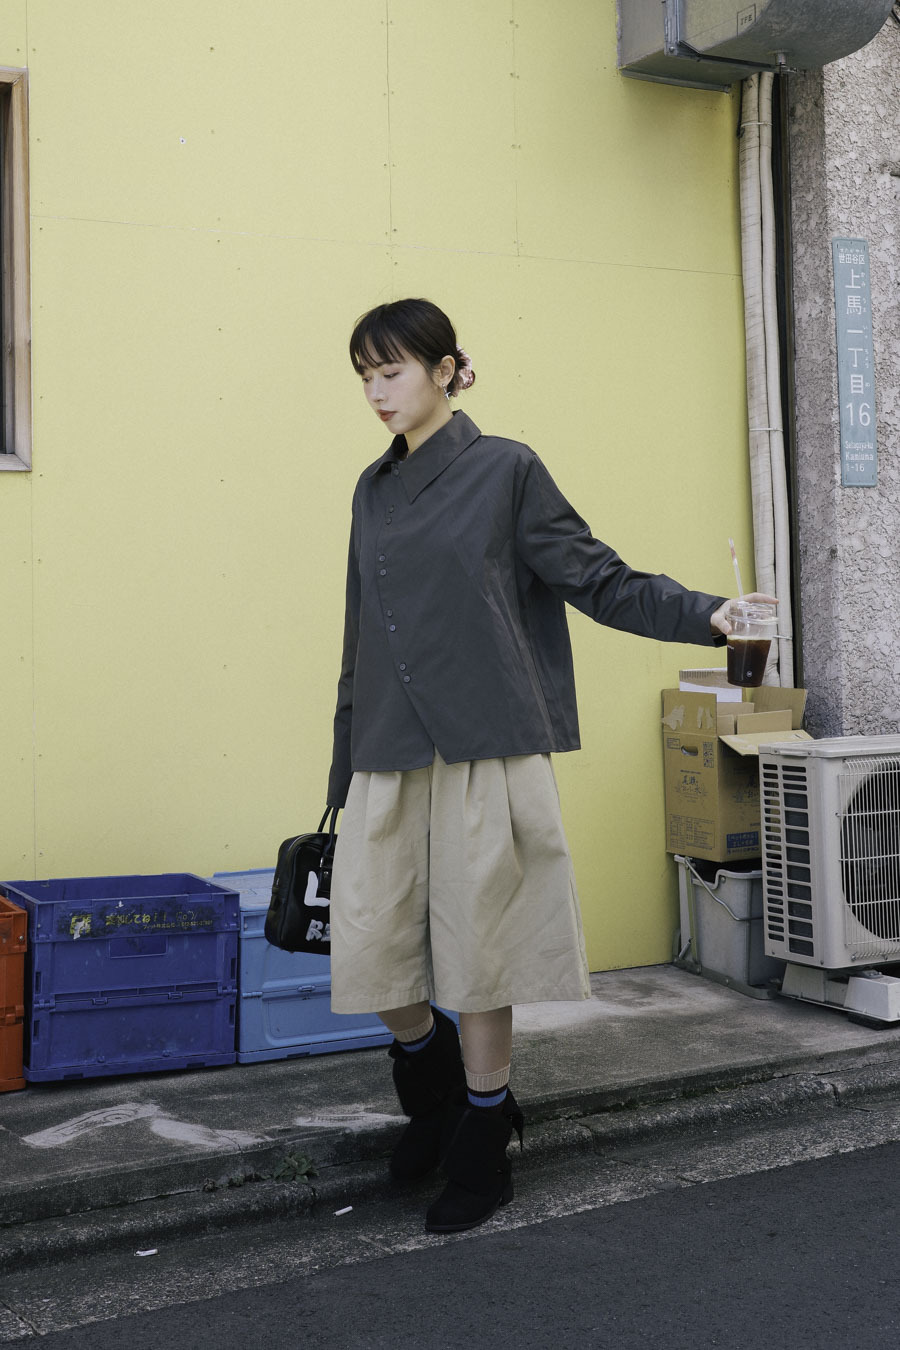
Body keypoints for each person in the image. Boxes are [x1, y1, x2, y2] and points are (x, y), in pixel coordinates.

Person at [326, 297, 772, 1236]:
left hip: (486, 743)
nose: (376, 390)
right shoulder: (372, 488)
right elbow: (360, 635)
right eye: (364, 374)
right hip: (389, 750)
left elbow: (596, 578)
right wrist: (341, 770)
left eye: (391, 370)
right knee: (373, 950)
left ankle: (483, 1134)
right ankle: (434, 1086)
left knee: (479, 955)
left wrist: (708, 613)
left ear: (446, 369)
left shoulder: (506, 470)